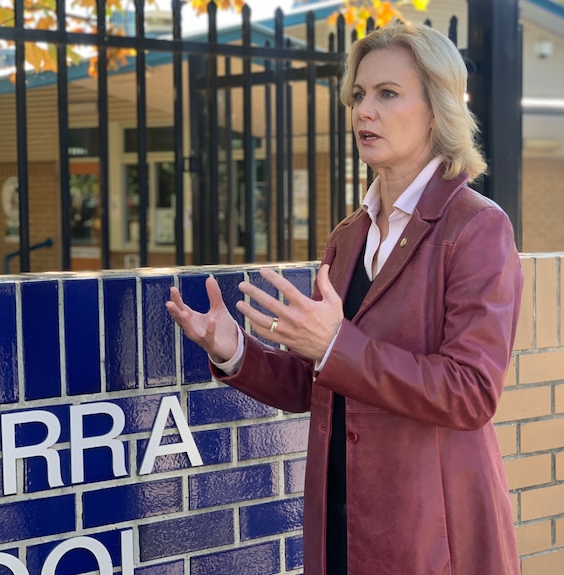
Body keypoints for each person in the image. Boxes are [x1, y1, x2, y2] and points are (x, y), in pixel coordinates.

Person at [167, 23, 523, 575]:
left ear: (437, 108)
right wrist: (234, 350)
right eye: (358, 95)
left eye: (387, 94)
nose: (363, 111)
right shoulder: (349, 236)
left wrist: (336, 346)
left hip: (430, 534)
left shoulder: (476, 229)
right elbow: (322, 383)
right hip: (341, 524)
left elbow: (471, 394)